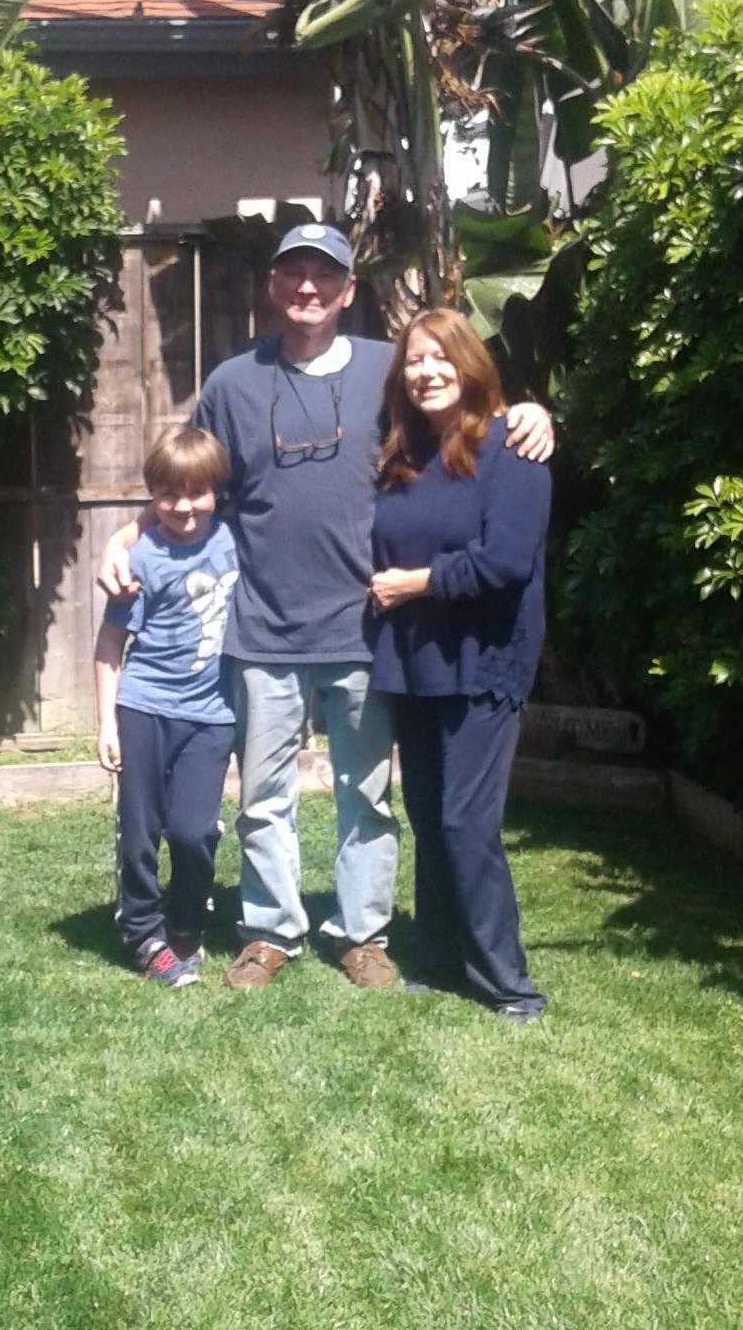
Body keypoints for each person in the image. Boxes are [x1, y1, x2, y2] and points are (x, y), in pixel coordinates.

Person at [100, 221, 553, 991]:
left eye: (325, 275)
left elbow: (464, 411)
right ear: (273, 286)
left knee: (366, 797)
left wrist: (533, 413)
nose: (307, 287)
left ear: (348, 290)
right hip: (263, 629)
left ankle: (361, 935)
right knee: (264, 801)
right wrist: (127, 529)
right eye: (292, 273)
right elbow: (188, 479)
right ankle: (270, 931)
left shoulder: (388, 371)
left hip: (367, 632)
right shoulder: (233, 383)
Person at [368, 309, 550, 1022]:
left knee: (468, 821)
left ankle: (509, 985)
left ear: (470, 364)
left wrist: (414, 582)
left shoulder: (513, 446)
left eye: (441, 358)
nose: (427, 371)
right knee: (428, 815)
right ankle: (442, 961)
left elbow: (505, 562)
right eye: (414, 361)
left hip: (484, 660)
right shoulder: (403, 455)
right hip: (415, 664)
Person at [94, 425, 240, 989]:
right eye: (169, 495)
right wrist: (106, 722)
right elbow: (110, 644)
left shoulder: (233, 543)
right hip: (145, 708)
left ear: (217, 492)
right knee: (139, 831)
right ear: (152, 498)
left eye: (196, 493)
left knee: (193, 831)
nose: (183, 507)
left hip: (212, 715)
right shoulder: (140, 560)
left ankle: (186, 921)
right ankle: (144, 934)